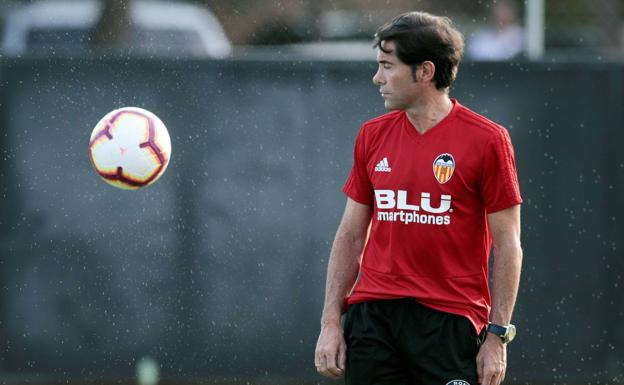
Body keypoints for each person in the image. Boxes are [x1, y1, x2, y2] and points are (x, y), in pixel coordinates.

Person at [314, 11, 523, 385]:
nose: (377, 78)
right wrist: (331, 321)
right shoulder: (371, 135)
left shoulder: (488, 141)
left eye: (387, 66)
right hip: (374, 318)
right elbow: (350, 234)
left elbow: (508, 245)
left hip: (450, 322)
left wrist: (497, 335)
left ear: (425, 71)